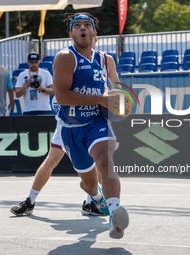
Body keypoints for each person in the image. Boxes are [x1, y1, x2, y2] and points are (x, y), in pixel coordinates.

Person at [10, 35, 120, 218]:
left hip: (93, 118)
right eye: (78, 27)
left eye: (88, 29)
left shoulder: (103, 59)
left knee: (101, 160)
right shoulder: (68, 58)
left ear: (95, 37)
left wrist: (109, 96)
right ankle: (30, 200)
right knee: (51, 161)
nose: (84, 33)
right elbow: (61, 93)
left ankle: (90, 202)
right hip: (67, 122)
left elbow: (109, 87)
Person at [53, 13, 129, 239]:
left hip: (96, 121)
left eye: (88, 25)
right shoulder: (65, 57)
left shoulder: (107, 60)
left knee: (105, 157)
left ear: (95, 33)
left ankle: (115, 214)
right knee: (88, 183)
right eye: (77, 26)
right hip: (71, 126)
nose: (82, 28)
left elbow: (116, 89)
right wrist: (101, 99)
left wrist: (119, 101)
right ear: (71, 34)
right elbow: (62, 97)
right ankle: (97, 200)